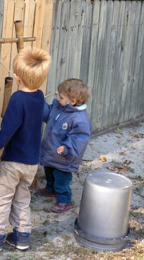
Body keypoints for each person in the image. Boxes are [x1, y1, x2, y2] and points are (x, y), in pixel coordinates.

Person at [0, 48, 51, 253]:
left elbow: (7, 130)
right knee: (22, 197)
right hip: (32, 161)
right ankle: (22, 235)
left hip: (14, 161)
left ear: (17, 78)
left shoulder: (17, 99)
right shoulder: (40, 96)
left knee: (2, 199)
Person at [38, 78, 91, 213]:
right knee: (49, 172)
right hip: (52, 151)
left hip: (64, 157)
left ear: (72, 102)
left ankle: (64, 201)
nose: (58, 98)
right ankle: (51, 189)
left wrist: (67, 147)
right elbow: (48, 115)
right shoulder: (58, 107)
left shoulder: (79, 119)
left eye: (61, 97)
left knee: (61, 180)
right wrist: (40, 102)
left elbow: (79, 138)